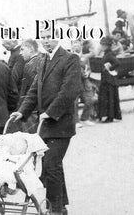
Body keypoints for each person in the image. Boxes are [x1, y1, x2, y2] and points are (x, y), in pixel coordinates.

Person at [11, 29, 83, 215]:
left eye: (48, 37)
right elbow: (35, 90)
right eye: (42, 38)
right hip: (47, 124)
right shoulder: (43, 59)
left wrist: (50, 112)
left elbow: (70, 91)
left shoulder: (70, 59)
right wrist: (22, 111)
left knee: (51, 165)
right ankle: (61, 204)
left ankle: (56, 209)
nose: (45, 41)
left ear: (58, 37)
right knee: (53, 165)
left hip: (61, 123)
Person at [18, 39, 43, 132]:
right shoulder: (43, 60)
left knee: (30, 136)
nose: (20, 53)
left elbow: (29, 90)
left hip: (31, 109)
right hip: (40, 107)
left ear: (31, 50)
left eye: (22, 49)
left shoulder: (30, 65)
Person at [97, 36, 122, 123]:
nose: (102, 47)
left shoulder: (109, 54)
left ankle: (110, 116)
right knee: (109, 98)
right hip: (107, 79)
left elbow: (117, 63)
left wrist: (109, 68)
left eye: (103, 45)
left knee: (109, 98)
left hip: (109, 80)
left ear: (107, 46)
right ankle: (109, 116)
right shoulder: (107, 54)